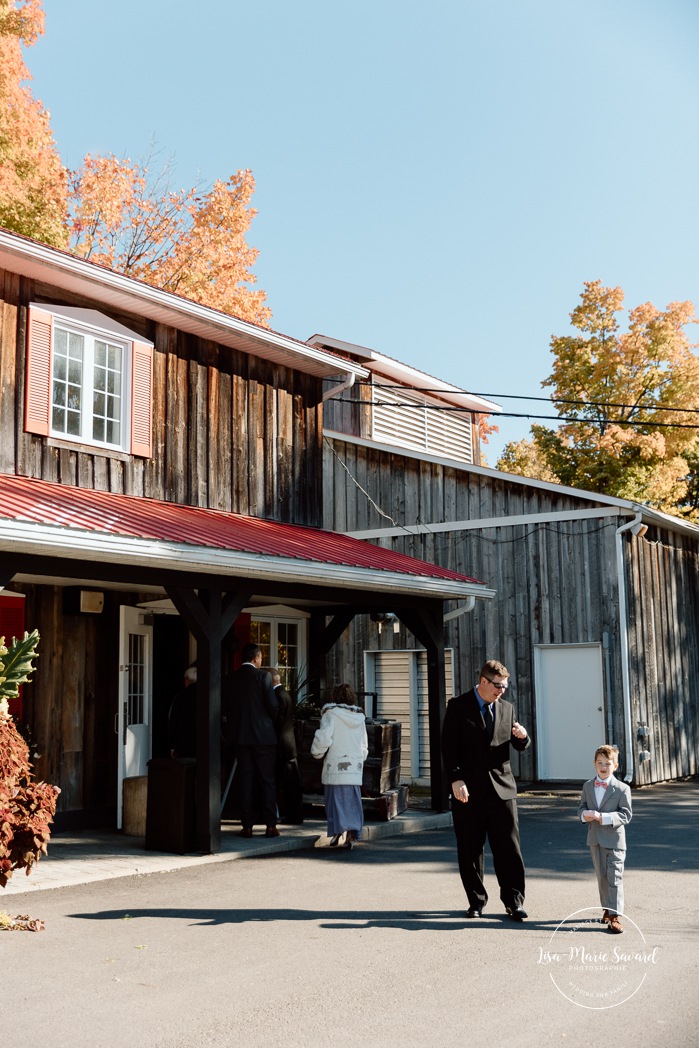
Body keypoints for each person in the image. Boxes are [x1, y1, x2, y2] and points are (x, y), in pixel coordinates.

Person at [441, 659, 531, 920]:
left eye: (505, 687)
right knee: (470, 849)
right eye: (498, 686)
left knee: (509, 849)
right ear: (483, 681)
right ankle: (476, 901)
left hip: (502, 790)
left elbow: (517, 745)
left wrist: (523, 738)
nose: (502, 691)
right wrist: (455, 779)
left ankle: (514, 902)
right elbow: (448, 747)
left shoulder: (507, 709)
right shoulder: (458, 707)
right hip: (467, 791)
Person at [222, 643, 280, 838]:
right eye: (261, 657)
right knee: (267, 781)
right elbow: (273, 705)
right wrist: (268, 723)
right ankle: (270, 825)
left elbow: (225, 708)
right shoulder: (263, 676)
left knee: (245, 780)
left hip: (239, 736)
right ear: (256, 658)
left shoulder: (231, 679)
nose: (261, 660)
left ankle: (247, 826)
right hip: (263, 736)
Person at [578, 744, 632, 934]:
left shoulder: (622, 789)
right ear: (594, 764)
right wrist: (586, 815)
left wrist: (605, 818)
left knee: (614, 878)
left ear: (615, 766)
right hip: (595, 840)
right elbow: (581, 808)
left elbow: (626, 815)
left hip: (615, 841)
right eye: (599, 763)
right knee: (602, 877)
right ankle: (607, 910)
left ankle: (615, 916)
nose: (603, 767)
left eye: (607, 763)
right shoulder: (587, 786)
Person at [311, 683, 368, 848]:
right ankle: (352, 834)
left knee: (334, 801)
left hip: (336, 765)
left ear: (335, 697)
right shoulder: (359, 717)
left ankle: (337, 832)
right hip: (354, 766)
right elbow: (363, 743)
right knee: (353, 802)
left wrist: (316, 752)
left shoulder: (331, 715)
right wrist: (359, 758)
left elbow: (324, 738)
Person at [269, 669, 304, 824]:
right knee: (291, 784)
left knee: (279, 783)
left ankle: (282, 815)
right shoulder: (286, 694)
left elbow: (276, 721)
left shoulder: (277, 696)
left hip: (282, 746)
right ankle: (294, 815)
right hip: (289, 744)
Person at [167, 664, 197, 759]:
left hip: (183, 744)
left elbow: (172, 723)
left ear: (187, 679)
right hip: (202, 744)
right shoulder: (206, 697)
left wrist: (172, 746)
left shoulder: (179, 698)